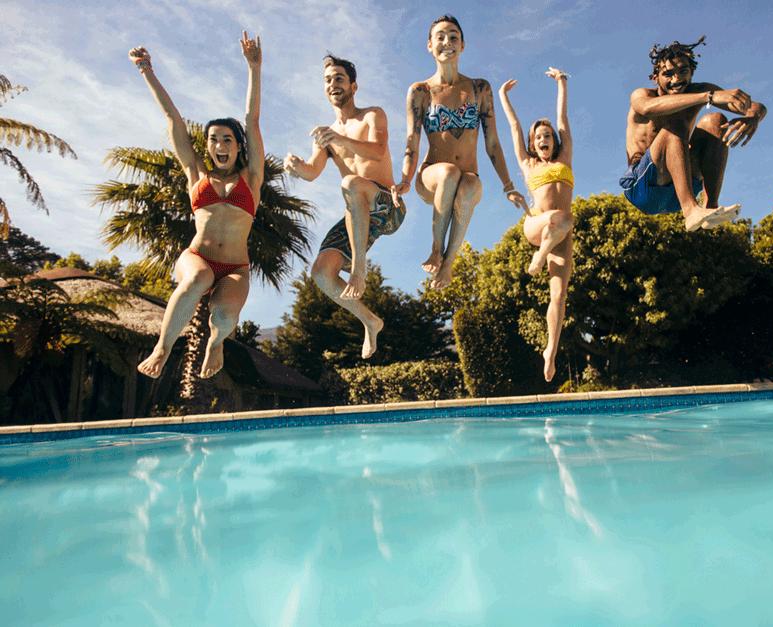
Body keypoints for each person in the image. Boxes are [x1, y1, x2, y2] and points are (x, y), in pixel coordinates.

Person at [132, 31, 264, 379]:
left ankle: (216, 342)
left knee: (223, 318)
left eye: (227, 140)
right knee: (197, 280)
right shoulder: (196, 175)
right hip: (198, 257)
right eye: (213, 140)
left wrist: (254, 69)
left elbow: (251, 120)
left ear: (238, 147)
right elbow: (174, 120)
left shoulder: (251, 180)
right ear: (207, 146)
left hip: (236, 267)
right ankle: (162, 349)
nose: (220, 145)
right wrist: (147, 69)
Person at [392, 14, 527, 289]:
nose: (447, 42)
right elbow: (412, 141)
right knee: (450, 173)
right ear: (429, 45)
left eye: (454, 37)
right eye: (440, 37)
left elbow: (492, 143)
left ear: (462, 45)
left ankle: (449, 262)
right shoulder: (420, 91)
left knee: (468, 184)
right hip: (431, 177)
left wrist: (508, 185)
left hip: (467, 177)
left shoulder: (480, 89)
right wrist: (404, 180)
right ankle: (435, 248)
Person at [284, 54, 404, 359]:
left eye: (339, 78)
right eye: (327, 80)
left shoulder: (372, 115)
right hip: (357, 211)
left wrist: (340, 138)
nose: (333, 84)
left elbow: (378, 152)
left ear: (353, 86)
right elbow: (313, 172)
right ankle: (370, 320)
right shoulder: (325, 134)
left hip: (386, 207)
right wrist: (296, 166)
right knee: (322, 274)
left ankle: (359, 270)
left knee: (350, 183)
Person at [620, 36, 768, 231]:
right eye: (668, 74)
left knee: (715, 121)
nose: (677, 79)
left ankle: (710, 208)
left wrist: (752, 118)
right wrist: (708, 97)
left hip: (679, 190)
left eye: (683, 71)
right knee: (677, 124)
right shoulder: (643, 94)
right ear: (656, 77)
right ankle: (690, 211)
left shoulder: (699, 89)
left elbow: (755, 106)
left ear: (692, 73)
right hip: (644, 189)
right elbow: (647, 108)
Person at [498, 68, 574, 382]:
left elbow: (562, 118)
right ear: (533, 143)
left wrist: (562, 84)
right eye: (539, 137)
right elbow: (514, 126)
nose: (545, 138)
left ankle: (550, 352)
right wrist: (503, 96)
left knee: (558, 294)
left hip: (560, 234)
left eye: (549, 136)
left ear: (555, 142)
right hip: (536, 227)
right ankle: (539, 254)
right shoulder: (528, 164)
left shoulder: (564, 158)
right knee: (564, 217)